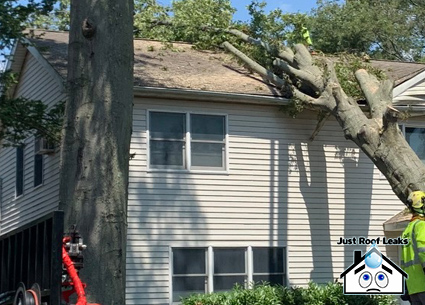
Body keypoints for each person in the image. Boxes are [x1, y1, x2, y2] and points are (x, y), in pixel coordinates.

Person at [401, 191, 425, 304]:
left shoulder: (407, 230)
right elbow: (423, 251)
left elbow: (403, 262)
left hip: (413, 287)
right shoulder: (421, 225)